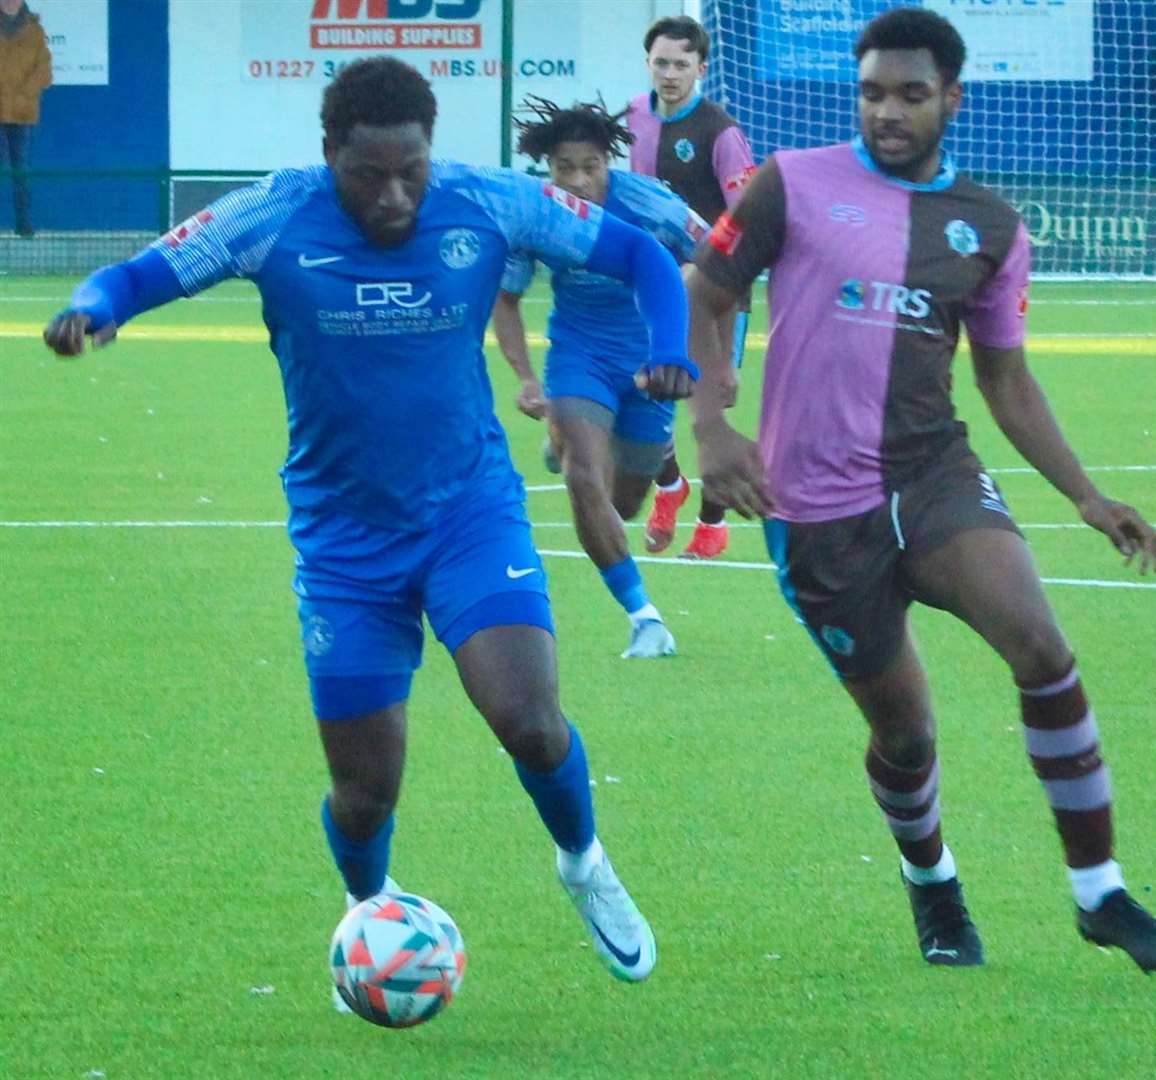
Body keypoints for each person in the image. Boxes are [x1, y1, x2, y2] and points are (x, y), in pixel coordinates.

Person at [41, 58, 697, 988]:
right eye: (369, 174)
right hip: (345, 542)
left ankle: (585, 863)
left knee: (531, 721)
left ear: (433, 154)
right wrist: (92, 308)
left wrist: (671, 351)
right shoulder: (273, 214)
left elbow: (637, 255)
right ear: (328, 154)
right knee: (363, 793)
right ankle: (369, 922)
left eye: (412, 171)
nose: (395, 196)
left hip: (470, 513)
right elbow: (142, 272)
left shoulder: (487, 201)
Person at [684, 7, 1156, 971]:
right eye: (872, 92)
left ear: (951, 99)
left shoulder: (993, 227)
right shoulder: (790, 183)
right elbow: (703, 294)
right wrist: (712, 426)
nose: (888, 111)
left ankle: (1100, 892)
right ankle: (934, 889)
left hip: (934, 476)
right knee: (906, 738)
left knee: (1042, 647)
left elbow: (1005, 376)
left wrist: (1086, 494)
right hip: (816, 509)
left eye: (911, 95)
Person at [491, 97, 708, 659]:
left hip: (648, 364)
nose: (580, 180)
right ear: (549, 168)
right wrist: (525, 376)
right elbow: (506, 299)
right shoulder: (536, 214)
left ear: (609, 161)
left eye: (591, 166)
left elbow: (713, 259)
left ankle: (583, 443)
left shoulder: (650, 203)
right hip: (578, 353)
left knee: (624, 503)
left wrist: (704, 349)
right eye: (566, 168)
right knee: (583, 476)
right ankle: (645, 617)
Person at [621, 14, 758, 561]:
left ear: (701, 68)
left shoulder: (720, 131)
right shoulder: (632, 116)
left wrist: (701, 269)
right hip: (654, 285)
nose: (670, 73)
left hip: (718, 293)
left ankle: (711, 524)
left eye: (682, 64)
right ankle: (671, 486)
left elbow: (745, 217)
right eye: (661, 62)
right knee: (641, 392)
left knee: (709, 406)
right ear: (649, 64)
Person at [0, 0, 51, 237]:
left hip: (22, 114)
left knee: (21, 169)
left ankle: (23, 223)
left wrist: (23, 97)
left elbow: (44, 72)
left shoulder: (35, 30)